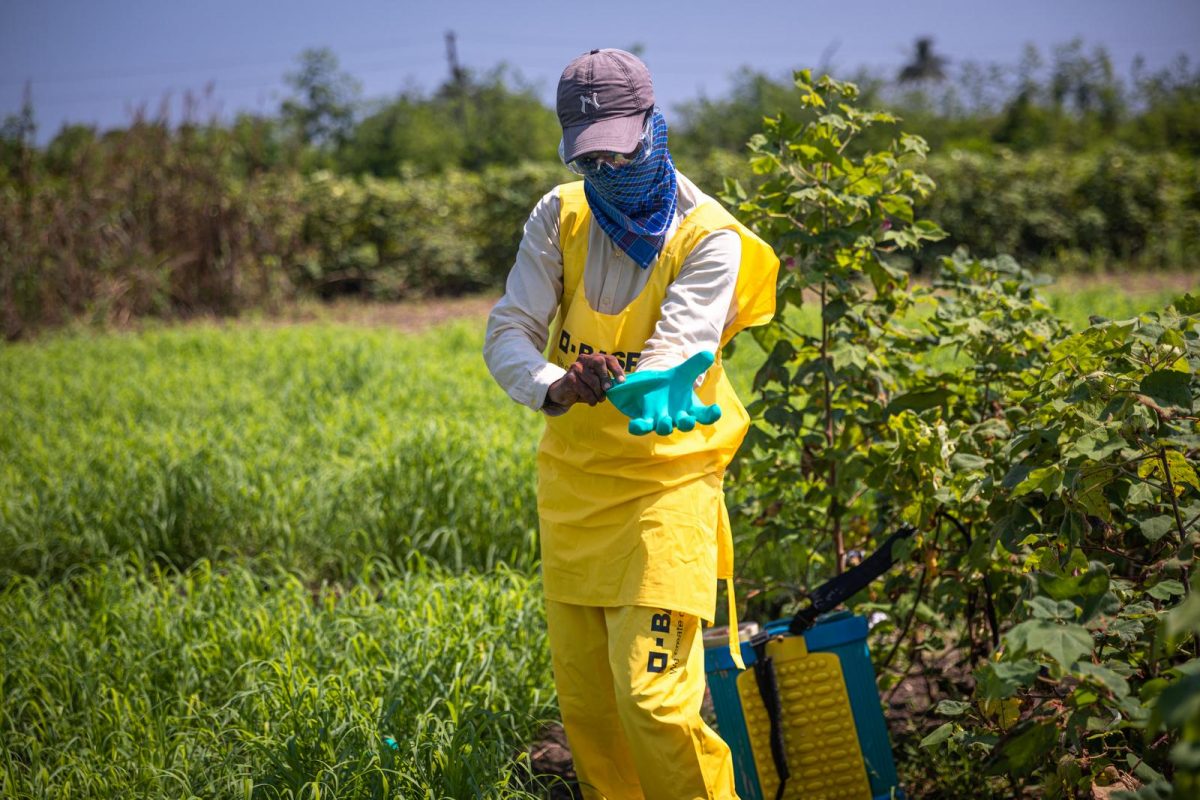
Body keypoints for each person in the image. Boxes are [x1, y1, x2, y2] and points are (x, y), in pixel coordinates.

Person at [483, 48, 778, 800]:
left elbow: (680, 347)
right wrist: (556, 384)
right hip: (575, 495)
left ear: (652, 124)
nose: (607, 170)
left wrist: (634, 382)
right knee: (592, 716)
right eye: (590, 159)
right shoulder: (560, 215)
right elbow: (510, 329)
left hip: (665, 491)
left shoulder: (708, 238)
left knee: (654, 703)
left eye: (619, 151)